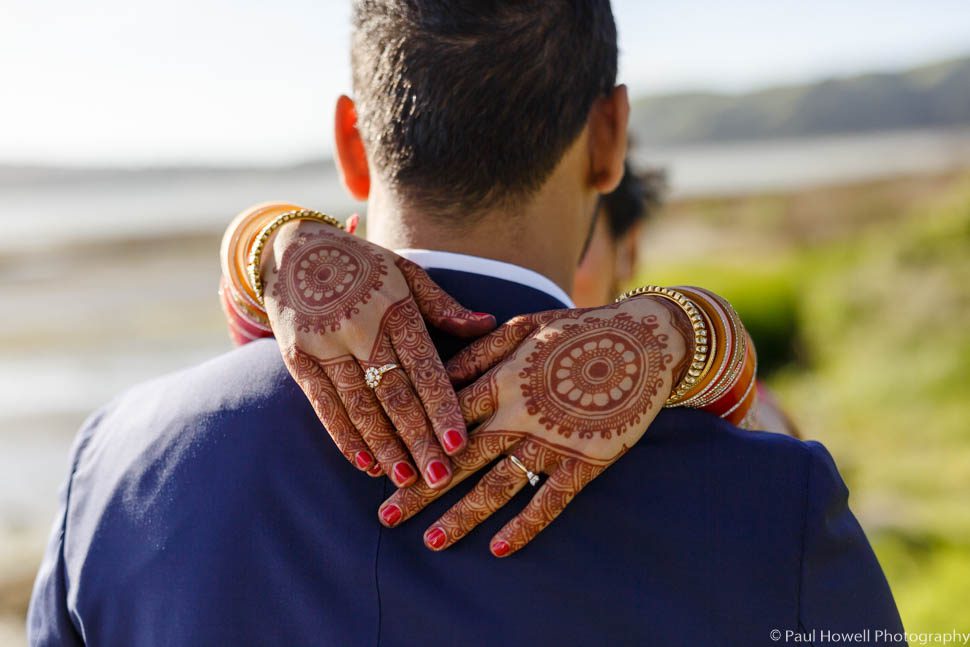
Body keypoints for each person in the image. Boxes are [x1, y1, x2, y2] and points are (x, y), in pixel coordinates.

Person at [29, 2, 903, 646]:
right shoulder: (770, 507)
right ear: (610, 140)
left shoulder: (115, 465)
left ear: (351, 141)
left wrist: (266, 237)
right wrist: (693, 331)